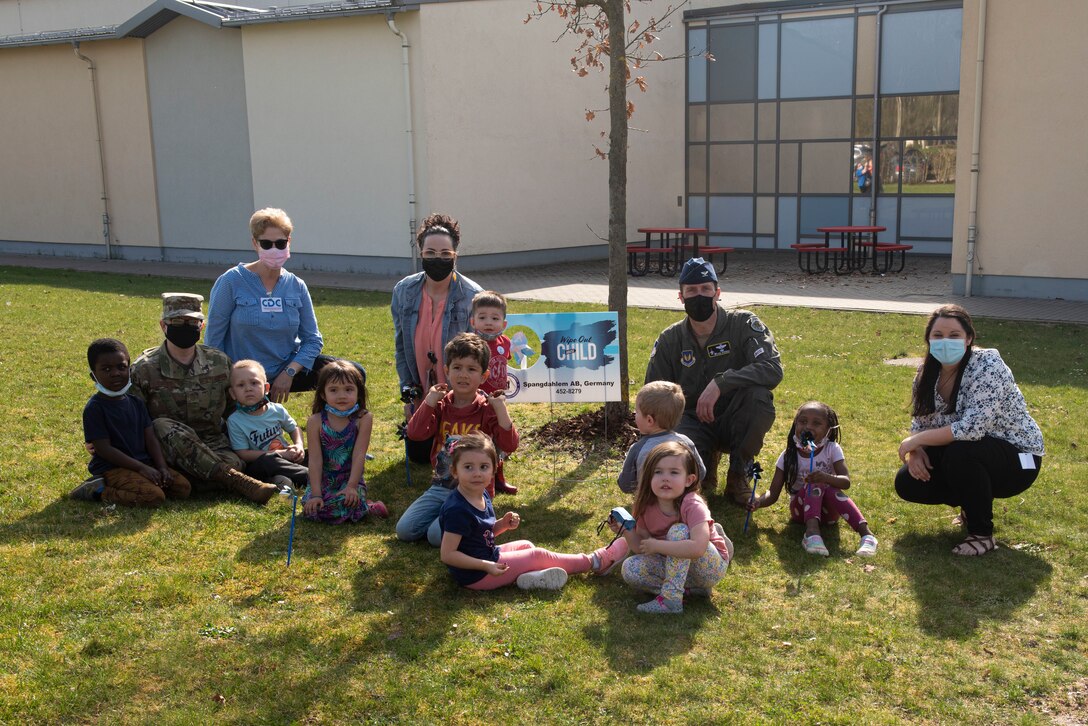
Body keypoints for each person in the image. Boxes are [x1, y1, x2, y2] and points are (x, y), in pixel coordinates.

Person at [895, 304, 1044, 556]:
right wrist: (917, 452)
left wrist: (915, 440)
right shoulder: (925, 375)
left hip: (1021, 459)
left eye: (954, 335)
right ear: (929, 339)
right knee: (907, 482)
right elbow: (920, 423)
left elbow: (972, 428)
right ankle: (973, 502)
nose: (945, 342)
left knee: (961, 453)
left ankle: (981, 534)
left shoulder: (987, 365)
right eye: (938, 335)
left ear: (969, 338)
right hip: (968, 451)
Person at [645, 257, 783, 505]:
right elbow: (652, 395)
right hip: (692, 421)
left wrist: (723, 382)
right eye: (692, 291)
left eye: (706, 289)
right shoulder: (670, 339)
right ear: (681, 296)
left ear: (717, 293)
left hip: (735, 415)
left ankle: (738, 475)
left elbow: (772, 368)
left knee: (759, 399)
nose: (699, 295)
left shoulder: (742, 325)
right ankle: (702, 464)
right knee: (687, 473)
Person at [130, 293, 280, 504]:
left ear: (201, 326)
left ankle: (185, 481)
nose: (185, 326)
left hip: (213, 443)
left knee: (236, 462)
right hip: (167, 447)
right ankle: (238, 482)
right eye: (177, 322)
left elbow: (235, 409)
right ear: (164, 325)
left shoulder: (219, 362)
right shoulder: (144, 368)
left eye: (192, 322)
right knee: (161, 425)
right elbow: (134, 419)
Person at [205, 207, 366, 403]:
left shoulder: (296, 285)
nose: (274, 249)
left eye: (280, 243)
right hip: (244, 377)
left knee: (354, 373)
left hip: (286, 368)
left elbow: (313, 339)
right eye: (266, 243)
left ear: (288, 243)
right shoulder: (231, 281)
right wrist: (234, 381)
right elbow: (214, 341)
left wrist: (289, 372)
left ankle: (330, 427)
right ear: (255, 244)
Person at [438, 432, 625, 591]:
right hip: (476, 575)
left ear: (494, 469)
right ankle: (595, 562)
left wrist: (502, 525)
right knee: (537, 556)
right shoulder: (457, 509)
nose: (477, 473)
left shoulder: (481, 493)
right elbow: (448, 554)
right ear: (454, 471)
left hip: (487, 558)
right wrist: (486, 566)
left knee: (527, 546)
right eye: (468, 467)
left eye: (483, 467)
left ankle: (533, 578)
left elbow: (479, 535)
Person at [395, 333, 519, 546]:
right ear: (447, 371)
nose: (463, 375)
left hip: (474, 489)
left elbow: (510, 445)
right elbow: (415, 434)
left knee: (436, 537)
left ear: (484, 376)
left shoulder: (487, 409)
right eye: (457, 368)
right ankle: (455, 518)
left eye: (471, 369)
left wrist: (501, 411)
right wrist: (429, 402)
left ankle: (474, 519)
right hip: (441, 485)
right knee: (405, 531)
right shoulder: (442, 405)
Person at [391, 213, 482, 464]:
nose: (437, 259)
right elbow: (400, 347)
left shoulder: (472, 296)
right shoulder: (404, 291)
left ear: (455, 255)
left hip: (459, 393)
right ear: (421, 253)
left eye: (445, 254)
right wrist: (408, 392)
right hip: (422, 389)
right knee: (419, 456)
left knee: (457, 457)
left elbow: (480, 356)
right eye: (430, 253)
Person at [747, 401, 878, 557]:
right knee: (814, 485)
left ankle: (867, 535)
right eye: (803, 422)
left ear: (828, 431)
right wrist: (759, 502)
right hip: (801, 513)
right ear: (795, 425)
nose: (808, 427)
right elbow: (773, 493)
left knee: (825, 485)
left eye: (816, 423)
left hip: (829, 515)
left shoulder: (832, 449)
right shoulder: (788, 456)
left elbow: (845, 481)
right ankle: (812, 534)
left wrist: (826, 477)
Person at [71, 338, 191, 507]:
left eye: (121, 367)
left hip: (144, 463)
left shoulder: (136, 402)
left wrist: (161, 467)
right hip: (113, 468)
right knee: (154, 497)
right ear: (94, 375)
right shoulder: (95, 408)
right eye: (106, 369)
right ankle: (98, 490)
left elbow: (150, 439)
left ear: (129, 368)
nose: (115, 373)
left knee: (182, 488)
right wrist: (142, 469)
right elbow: (103, 449)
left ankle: (142, 481)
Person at [616, 441, 733, 614]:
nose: (665, 478)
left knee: (679, 532)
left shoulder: (692, 504)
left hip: (708, 568)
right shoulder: (646, 506)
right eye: (658, 472)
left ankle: (671, 600)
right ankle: (691, 591)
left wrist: (658, 545)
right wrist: (626, 531)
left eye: (674, 472)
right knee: (629, 568)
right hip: (675, 567)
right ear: (649, 478)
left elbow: (698, 549)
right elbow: (642, 547)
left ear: (689, 480)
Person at [302, 360, 386, 524]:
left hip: (349, 479)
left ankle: (370, 507)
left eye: (348, 390)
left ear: (358, 393)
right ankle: (357, 505)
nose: (342, 395)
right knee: (313, 509)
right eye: (333, 390)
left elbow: (359, 454)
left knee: (348, 504)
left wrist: (352, 486)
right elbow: (315, 459)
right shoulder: (316, 421)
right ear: (323, 394)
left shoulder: (363, 418)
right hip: (323, 480)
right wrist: (316, 494)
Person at [226, 360, 308, 491]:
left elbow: (294, 428)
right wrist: (279, 454)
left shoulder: (277, 410)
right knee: (269, 460)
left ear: (266, 388)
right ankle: (312, 476)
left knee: (314, 452)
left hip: (286, 458)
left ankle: (282, 481)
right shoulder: (235, 420)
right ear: (233, 394)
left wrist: (299, 446)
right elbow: (243, 453)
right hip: (260, 465)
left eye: (254, 383)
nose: (248, 388)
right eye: (241, 385)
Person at [618, 381, 706, 494]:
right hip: (681, 504)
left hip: (648, 506)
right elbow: (701, 473)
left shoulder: (638, 448)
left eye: (637, 412)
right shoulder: (686, 442)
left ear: (649, 420)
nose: (635, 415)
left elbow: (626, 485)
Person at [470, 289, 518, 495]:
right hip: (479, 403)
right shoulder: (472, 344)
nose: (488, 322)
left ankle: (499, 478)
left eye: (495, 318)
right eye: (482, 317)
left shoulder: (505, 343)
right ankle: (483, 482)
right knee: (483, 441)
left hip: (498, 403)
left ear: (504, 323)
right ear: (473, 321)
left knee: (500, 440)